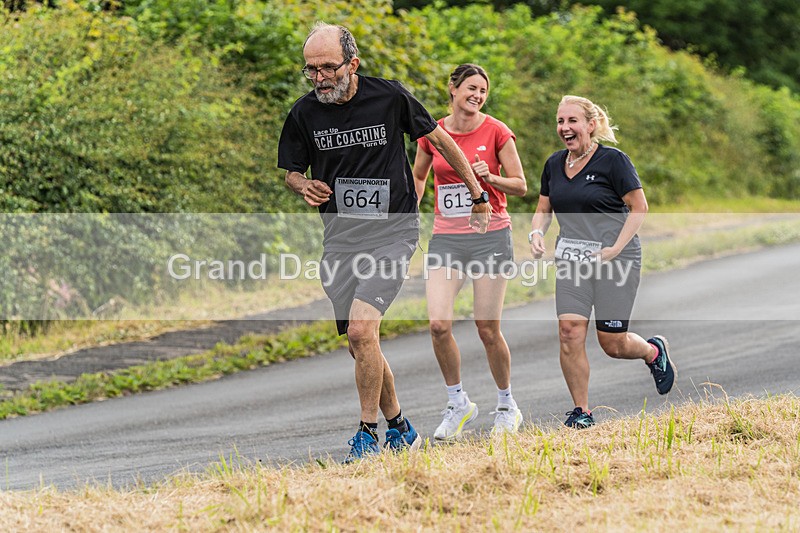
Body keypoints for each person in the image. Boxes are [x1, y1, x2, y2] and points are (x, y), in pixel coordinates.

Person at [277, 23, 491, 462]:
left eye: (328, 68)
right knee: (361, 342)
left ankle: (365, 433)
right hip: (339, 240)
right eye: (311, 70)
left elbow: (441, 140)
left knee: (361, 328)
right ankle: (400, 427)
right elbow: (291, 170)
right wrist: (302, 186)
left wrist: (477, 194)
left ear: (352, 64)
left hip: (392, 233)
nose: (319, 78)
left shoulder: (390, 96)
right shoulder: (304, 113)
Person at [528, 95, 676, 429]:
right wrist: (536, 233)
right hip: (573, 259)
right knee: (569, 331)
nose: (565, 128)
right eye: (560, 121)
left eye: (572, 121)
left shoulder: (613, 161)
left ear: (591, 125)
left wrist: (614, 249)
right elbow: (543, 209)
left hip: (616, 259)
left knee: (612, 343)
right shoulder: (554, 164)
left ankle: (652, 352)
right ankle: (582, 411)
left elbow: (639, 207)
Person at [412, 64, 527, 440]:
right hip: (447, 237)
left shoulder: (496, 131)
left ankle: (507, 405)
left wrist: (490, 178)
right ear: (453, 88)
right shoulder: (433, 132)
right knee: (438, 324)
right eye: (471, 88)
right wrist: (409, 215)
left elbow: (521, 186)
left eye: (483, 91)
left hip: (490, 235)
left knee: (487, 328)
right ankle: (457, 402)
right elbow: (418, 175)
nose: (477, 95)